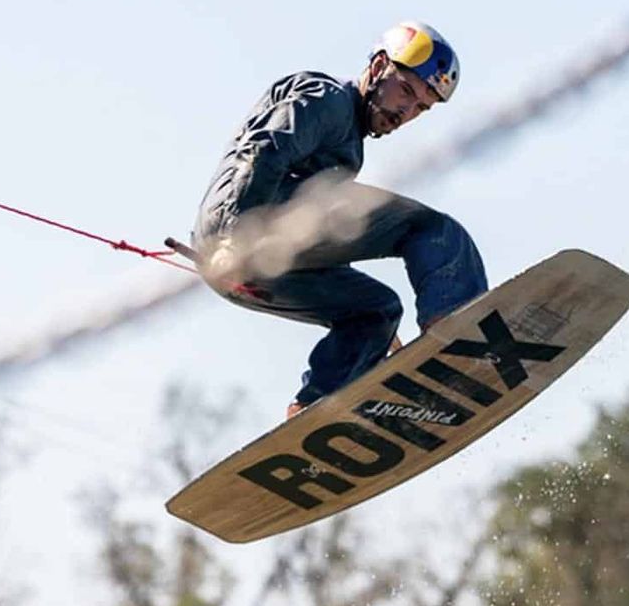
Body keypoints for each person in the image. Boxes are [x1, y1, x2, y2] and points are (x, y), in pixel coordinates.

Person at [193, 21, 488, 418]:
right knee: (433, 230)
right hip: (240, 231)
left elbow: (317, 233)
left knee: (375, 312)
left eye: (421, 107)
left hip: (250, 265)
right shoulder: (329, 101)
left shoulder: (349, 145)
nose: (407, 110)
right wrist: (236, 237)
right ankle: (458, 345)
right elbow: (264, 152)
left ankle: (313, 414)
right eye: (405, 90)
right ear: (379, 65)